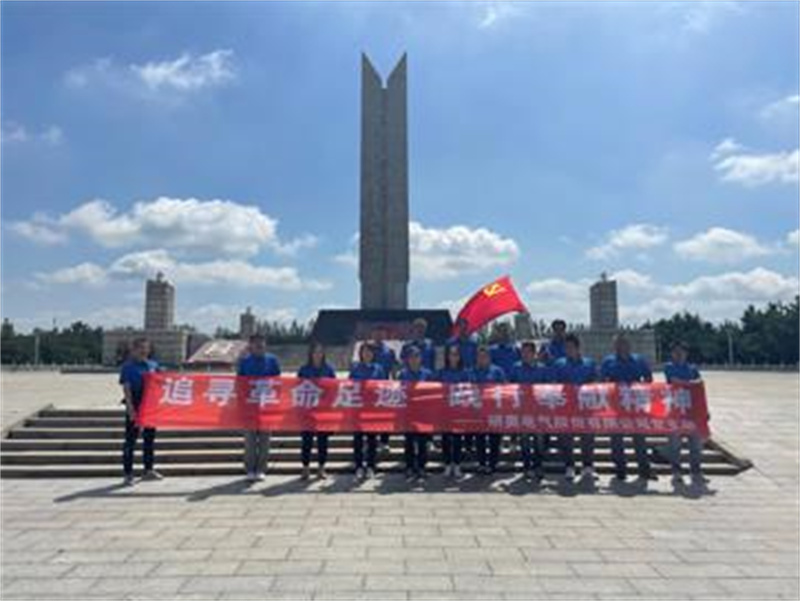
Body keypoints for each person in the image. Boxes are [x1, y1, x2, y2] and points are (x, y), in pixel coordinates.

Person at [601, 333, 655, 483]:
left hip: (636, 405)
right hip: (615, 406)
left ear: (629, 345)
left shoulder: (639, 360)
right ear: (614, 346)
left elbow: (648, 378)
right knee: (616, 439)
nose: (621, 346)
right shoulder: (608, 362)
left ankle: (644, 470)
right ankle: (620, 469)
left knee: (639, 438)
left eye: (624, 343)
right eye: (618, 344)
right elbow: (601, 381)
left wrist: (641, 388)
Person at [554, 334, 598, 482]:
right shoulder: (559, 364)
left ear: (578, 348)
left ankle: (588, 466)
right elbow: (554, 384)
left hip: (585, 407)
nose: (568, 350)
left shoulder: (589, 363)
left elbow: (596, 382)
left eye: (571, 347)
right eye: (566, 347)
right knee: (566, 438)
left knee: (587, 438)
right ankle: (569, 466)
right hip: (566, 407)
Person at [237, 334, 281, 482]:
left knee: (265, 440)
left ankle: (261, 469)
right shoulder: (245, 362)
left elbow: (278, 383)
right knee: (249, 440)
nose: (259, 347)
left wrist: (275, 402)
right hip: (249, 407)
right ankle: (250, 469)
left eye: (262, 344)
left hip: (267, 407)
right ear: (251, 346)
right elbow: (239, 384)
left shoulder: (272, 361)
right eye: (256, 344)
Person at [119, 337, 162, 485]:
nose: (144, 351)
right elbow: (127, 388)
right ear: (133, 350)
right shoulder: (128, 367)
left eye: (146, 348)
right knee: (130, 441)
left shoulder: (153, 365)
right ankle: (128, 474)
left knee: (149, 439)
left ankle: (148, 470)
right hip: (135, 404)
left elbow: (161, 383)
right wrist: (130, 408)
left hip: (150, 406)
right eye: (140, 348)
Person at [510, 341, 554, 481]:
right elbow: (509, 387)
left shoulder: (542, 369)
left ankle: (538, 466)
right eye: (523, 352)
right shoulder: (515, 367)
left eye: (528, 352)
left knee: (539, 440)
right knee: (524, 440)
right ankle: (527, 467)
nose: (525, 355)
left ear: (534, 353)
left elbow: (548, 387)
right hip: (522, 409)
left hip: (539, 410)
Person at [663, 341, 706, 485]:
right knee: (675, 444)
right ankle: (676, 471)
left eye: (681, 351)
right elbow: (674, 381)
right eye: (676, 352)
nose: (679, 354)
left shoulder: (692, 368)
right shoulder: (669, 367)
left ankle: (696, 470)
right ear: (671, 354)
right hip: (675, 409)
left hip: (692, 410)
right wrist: (691, 383)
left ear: (686, 353)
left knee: (695, 443)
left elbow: (699, 384)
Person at [297, 341, 336, 480]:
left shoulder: (329, 369)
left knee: (322, 441)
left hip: (324, 411)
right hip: (307, 411)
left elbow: (334, 388)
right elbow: (297, 388)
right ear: (311, 354)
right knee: (306, 441)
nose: (318, 354)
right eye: (315, 352)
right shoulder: (304, 369)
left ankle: (321, 468)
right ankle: (305, 468)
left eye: (320, 352)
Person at [350, 341, 386, 479]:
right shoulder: (355, 368)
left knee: (372, 439)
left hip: (373, 409)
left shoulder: (379, 369)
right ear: (360, 354)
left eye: (369, 351)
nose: (367, 354)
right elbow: (349, 386)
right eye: (364, 351)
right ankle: (359, 466)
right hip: (358, 409)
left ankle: (371, 466)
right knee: (358, 439)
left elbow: (384, 386)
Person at [397, 346, 435, 480]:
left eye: (416, 356)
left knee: (422, 442)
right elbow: (399, 392)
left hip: (423, 413)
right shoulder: (402, 374)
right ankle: (409, 467)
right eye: (411, 357)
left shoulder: (428, 374)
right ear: (407, 359)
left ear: (421, 358)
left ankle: (421, 467)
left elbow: (433, 392)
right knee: (409, 441)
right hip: (408, 412)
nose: (414, 359)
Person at [472, 345, 508, 475]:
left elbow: (505, 388)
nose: (482, 359)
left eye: (484, 356)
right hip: (478, 410)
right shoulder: (471, 371)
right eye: (479, 356)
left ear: (489, 357)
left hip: (494, 410)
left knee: (494, 439)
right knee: (480, 439)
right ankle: (481, 463)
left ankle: (492, 464)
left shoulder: (497, 371)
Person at [437, 343, 471, 478]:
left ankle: (457, 464)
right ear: (447, 357)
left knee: (457, 439)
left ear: (459, 357)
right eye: (451, 354)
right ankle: (447, 464)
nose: (453, 357)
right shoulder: (442, 372)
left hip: (459, 410)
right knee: (445, 438)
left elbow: (469, 389)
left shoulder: (465, 373)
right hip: (445, 410)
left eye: (456, 354)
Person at [371, 325, 397, 453]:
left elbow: (393, 368)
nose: (379, 335)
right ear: (372, 335)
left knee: (386, 416)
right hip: (371, 388)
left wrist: (395, 382)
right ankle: (372, 441)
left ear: (385, 335)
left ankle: (384, 441)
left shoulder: (389, 351)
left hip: (385, 387)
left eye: (381, 333)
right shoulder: (368, 349)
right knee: (372, 416)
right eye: (376, 333)